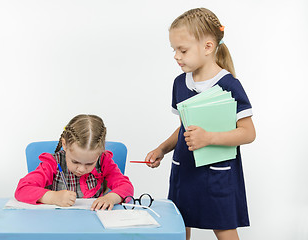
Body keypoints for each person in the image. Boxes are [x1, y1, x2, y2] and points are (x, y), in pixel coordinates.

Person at [145, 8, 256, 240]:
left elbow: (248, 133)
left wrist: (209, 138)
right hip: (184, 171)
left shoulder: (229, 85)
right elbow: (185, 128)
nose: (176, 56)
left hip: (217, 174)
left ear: (207, 47)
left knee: (223, 227)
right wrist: (162, 149)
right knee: (179, 224)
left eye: (182, 50)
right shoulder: (179, 83)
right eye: (174, 50)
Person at [15, 114, 134, 211]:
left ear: (100, 153)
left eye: (89, 164)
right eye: (75, 161)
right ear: (65, 145)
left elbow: (126, 186)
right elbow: (22, 189)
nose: (81, 169)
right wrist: (53, 197)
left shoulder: (104, 161)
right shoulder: (52, 163)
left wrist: (111, 198)